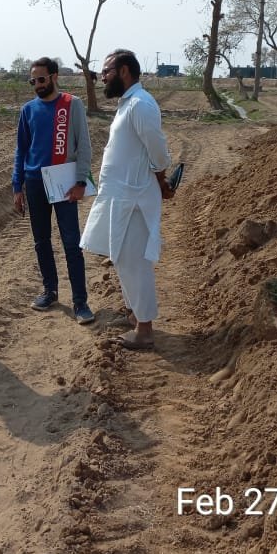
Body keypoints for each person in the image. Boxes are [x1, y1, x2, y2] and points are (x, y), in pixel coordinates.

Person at [80, 49, 174, 350]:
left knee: (135, 262)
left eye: (107, 71)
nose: (102, 76)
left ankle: (145, 329)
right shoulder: (128, 104)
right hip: (120, 196)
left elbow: (157, 150)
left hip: (133, 198)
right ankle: (134, 314)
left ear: (123, 72)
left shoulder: (141, 104)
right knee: (122, 258)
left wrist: (161, 180)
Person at [12, 57, 95, 324]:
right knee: (41, 241)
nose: (37, 84)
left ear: (54, 77)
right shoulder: (28, 110)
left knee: (71, 242)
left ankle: (80, 302)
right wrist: (17, 186)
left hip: (64, 182)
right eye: (32, 80)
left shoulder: (72, 105)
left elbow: (84, 145)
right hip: (35, 181)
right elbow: (21, 150)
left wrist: (81, 181)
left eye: (41, 79)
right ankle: (50, 291)